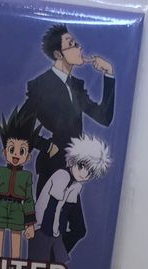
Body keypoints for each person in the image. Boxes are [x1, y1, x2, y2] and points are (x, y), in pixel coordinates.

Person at [19, 23, 115, 195]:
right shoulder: (41, 85)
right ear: (58, 54)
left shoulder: (76, 85)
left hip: (76, 167)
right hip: (53, 165)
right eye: (72, 44)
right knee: (46, 211)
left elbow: (104, 117)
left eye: (76, 43)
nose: (79, 48)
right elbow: (20, 126)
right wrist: (47, 146)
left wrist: (108, 73)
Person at [29, 134, 112, 269]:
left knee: (57, 265)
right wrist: (53, 234)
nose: (84, 173)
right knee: (43, 267)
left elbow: (65, 210)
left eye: (90, 172)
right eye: (82, 166)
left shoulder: (76, 185)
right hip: (42, 227)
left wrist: (57, 234)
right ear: (73, 160)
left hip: (53, 229)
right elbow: (51, 208)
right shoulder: (62, 176)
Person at [0, 107, 40, 259]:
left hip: (17, 211)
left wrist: (30, 225)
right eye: (12, 149)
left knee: (16, 248)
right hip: (0, 208)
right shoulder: (0, 171)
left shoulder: (26, 176)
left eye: (22, 151)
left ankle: (15, 268)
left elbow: (29, 200)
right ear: (5, 152)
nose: (16, 155)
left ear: (28, 157)